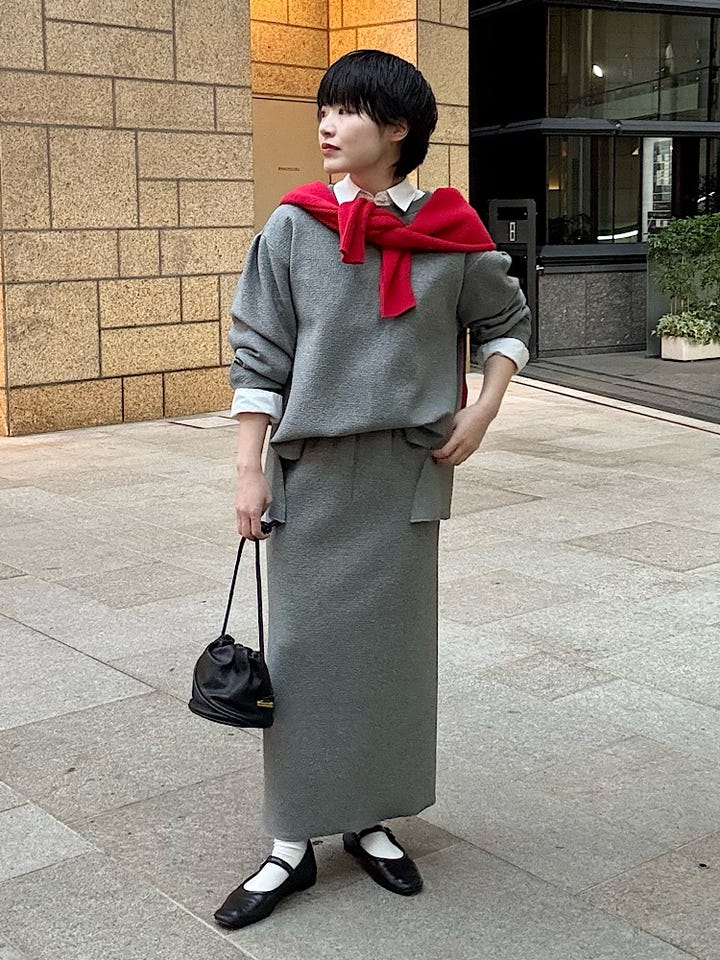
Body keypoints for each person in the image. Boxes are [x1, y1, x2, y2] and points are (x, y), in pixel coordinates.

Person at [214, 49, 531, 929]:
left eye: (346, 109)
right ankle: (289, 844)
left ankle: (369, 819)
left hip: (404, 478)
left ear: (396, 129)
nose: (326, 123)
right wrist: (248, 468)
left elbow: (507, 323)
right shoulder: (293, 228)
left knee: (391, 662)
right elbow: (259, 356)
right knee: (304, 662)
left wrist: (483, 410)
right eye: (324, 107)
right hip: (311, 477)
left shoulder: (453, 234)